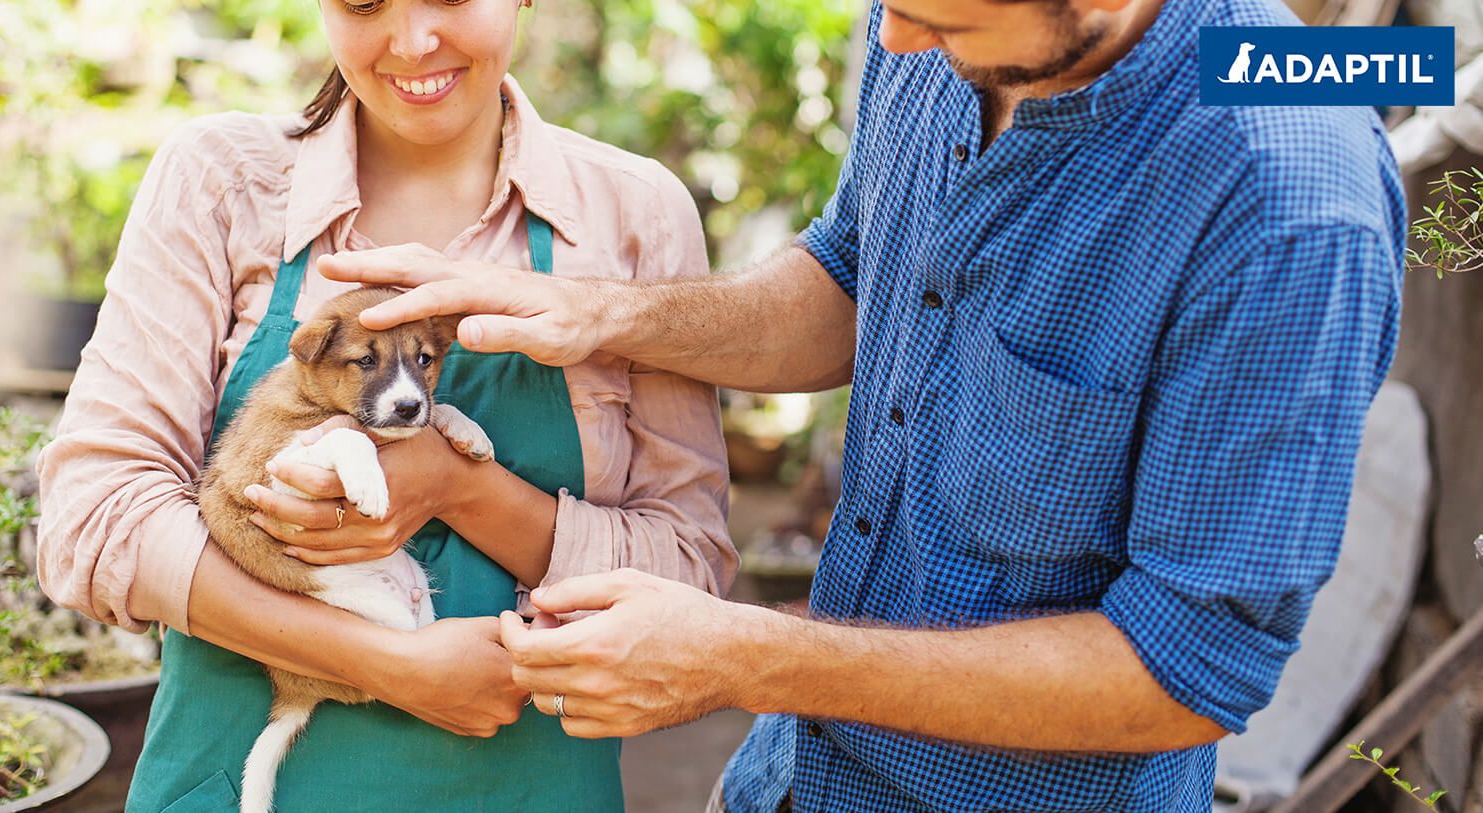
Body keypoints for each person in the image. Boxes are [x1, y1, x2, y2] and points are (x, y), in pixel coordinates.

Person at [324, 0, 1408, 810]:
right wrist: (599, 313)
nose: (891, 43)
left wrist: (742, 656)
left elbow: (1184, 670)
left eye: (945, 19)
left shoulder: (1288, 201)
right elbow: (851, 277)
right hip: (793, 777)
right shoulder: (927, 38)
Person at [34, 0, 734, 809]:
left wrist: (457, 487)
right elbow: (91, 520)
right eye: (363, 2)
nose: (411, 42)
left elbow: (690, 577)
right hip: (240, 782)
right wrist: (383, 662)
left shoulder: (632, 216)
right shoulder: (224, 182)